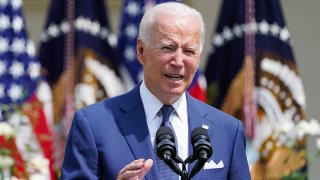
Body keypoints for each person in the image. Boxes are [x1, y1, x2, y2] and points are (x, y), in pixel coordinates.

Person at [61, 2, 251, 180]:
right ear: (141, 51)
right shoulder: (93, 125)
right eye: (168, 48)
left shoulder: (227, 131)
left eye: (189, 51)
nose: (178, 61)